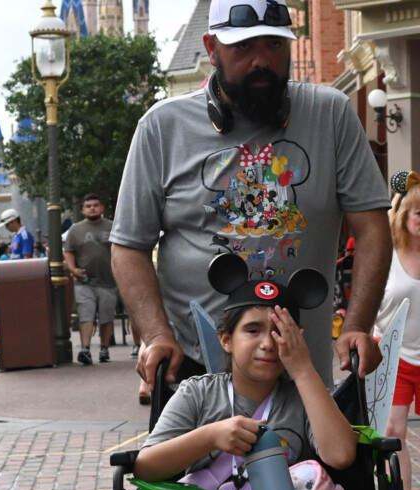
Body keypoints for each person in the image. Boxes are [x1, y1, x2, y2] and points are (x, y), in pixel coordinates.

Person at [111, 0, 392, 393]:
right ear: (211, 49)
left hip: (301, 370)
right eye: (244, 47)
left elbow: (373, 227)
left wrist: (358, 325)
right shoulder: (161, 127)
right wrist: (156, 335)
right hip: (196, 371)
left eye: (274, 46)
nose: (262, 60)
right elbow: (128, 246)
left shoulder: (332, 114)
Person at [134, 255, 357, 490]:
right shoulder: (197, 393)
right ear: (226, 340)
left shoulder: (304, 398)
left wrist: (302, 369)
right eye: (253, 330)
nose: (268, 344)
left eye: (279, 332)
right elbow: (144, 468)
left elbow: (341, 455)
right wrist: (209, 437)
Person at [375, 170, 420, 490]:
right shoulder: (386, 254)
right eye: (419, 213)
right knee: (394, 432)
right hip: (395, 356)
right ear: (404, 215)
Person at [65, 193, 118, 365]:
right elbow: (69, 252)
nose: (92, 208)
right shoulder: (75, 229)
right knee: (85, 314)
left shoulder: (113, 226)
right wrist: (73, 269)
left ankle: (104, 349)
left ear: (102, 208)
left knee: (106, 317)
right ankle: (85, 350)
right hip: (84, 281)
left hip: (109, 281)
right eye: (88, 206)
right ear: (83, 210)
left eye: (95, 205)